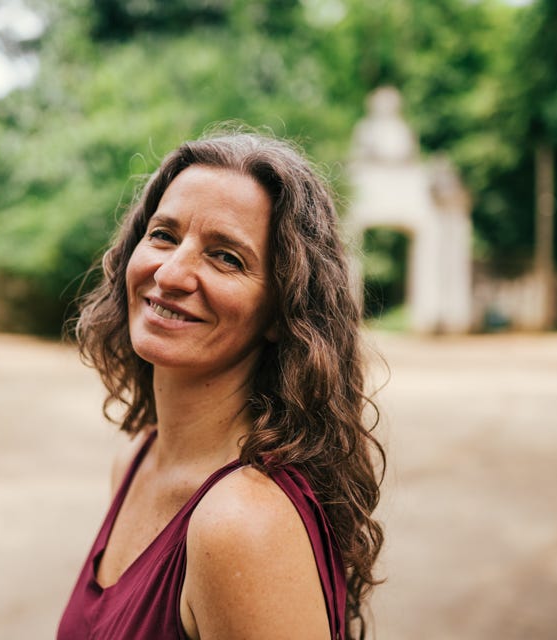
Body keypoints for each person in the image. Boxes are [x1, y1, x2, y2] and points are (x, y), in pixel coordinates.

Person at [57, 128, 385, 640]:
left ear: (281, 313)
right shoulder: (136, 459)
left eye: (226, 257)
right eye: (163, 235)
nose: (171, 274)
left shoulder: (242, 524)